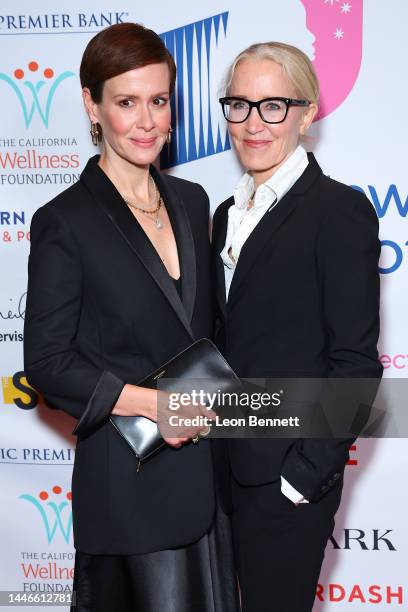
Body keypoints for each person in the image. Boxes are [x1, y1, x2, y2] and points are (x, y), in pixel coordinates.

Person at [24, 22, 238, 612]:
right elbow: (46, 362)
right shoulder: (65, 221)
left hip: (208, 482)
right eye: (125, 102)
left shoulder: (193, 202)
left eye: (158, 101)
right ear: (92, 105)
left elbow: (207, 335)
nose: (146, 121)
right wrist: (152, 404)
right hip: (130, 488)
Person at [212, 42, 382, 612]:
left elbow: (355, 364)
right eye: (239, 105)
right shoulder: (223, 214)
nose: (253, 124)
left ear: (307, 113)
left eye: (273, 106)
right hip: (217, 475)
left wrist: (307, 473)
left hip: (286, 481)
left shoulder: (337, 211)